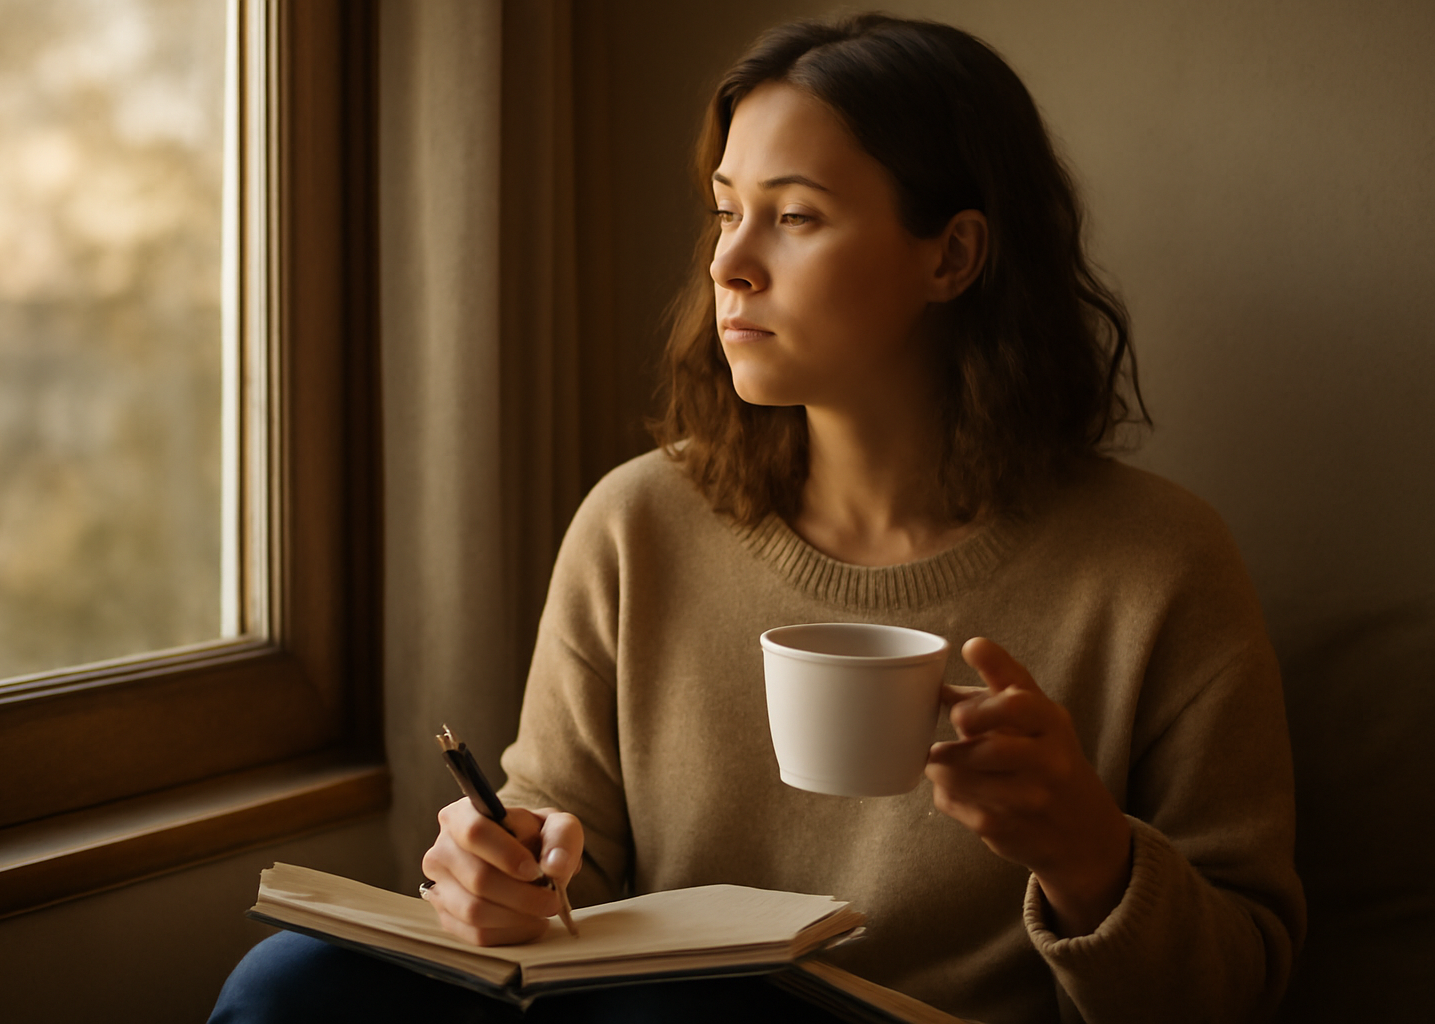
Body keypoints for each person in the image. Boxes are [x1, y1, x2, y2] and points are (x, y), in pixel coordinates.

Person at [212, 14, 1305, 1023]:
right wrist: (503, 873)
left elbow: (1243, 976)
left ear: (953, 256)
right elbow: (557, 879)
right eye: (727, 212)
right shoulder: (637, 523)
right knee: (291, 982)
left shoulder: (1158, 564)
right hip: (658, 1012)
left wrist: (1091, 856)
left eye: (794, 217)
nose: (730, 263)